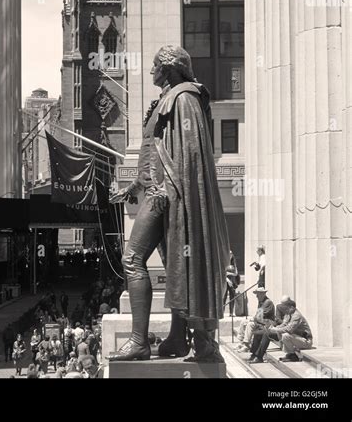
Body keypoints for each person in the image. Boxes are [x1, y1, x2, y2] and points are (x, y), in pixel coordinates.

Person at [108, 46, 230, 363]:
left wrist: (168, 192)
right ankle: (177, 339)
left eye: (154, 66)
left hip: (165, 195)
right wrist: (133, 187)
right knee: (177, 264)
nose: (150, 71)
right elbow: (154, 154)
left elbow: (190, 156)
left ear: (169, 68)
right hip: (157, 193)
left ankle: (138, 341)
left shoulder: (184, 97)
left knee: (132, 258)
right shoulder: (168, 98)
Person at [236, 287, 275, 353]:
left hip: (266, 322)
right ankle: (241, 342)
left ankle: (246, 345)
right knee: (243, 322)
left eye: (258, 294)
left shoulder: (268, 302)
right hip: (260, 321)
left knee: (250, 324)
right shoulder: (261, 301)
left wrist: (254, 320)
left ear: (262, 294)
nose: (256, 296)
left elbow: (262, 315)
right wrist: (253, 319)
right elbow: (258, 314)